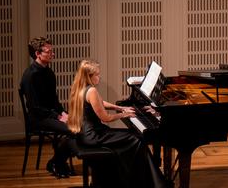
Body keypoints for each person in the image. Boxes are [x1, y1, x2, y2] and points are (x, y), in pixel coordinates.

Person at [67, 60, 167, 188]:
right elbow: (106, 118)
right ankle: (148, 182)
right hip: (95, 136)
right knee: (137, 139)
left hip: (86, 134)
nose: (99, 77)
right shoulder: (91, 90)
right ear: (89, 76)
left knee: (133, 137)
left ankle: (138, 179)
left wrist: (119, 108)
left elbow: (100, 102)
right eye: (97, 75)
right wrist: (123, 114)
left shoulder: (80, 88)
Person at [20, 37, 72, 178]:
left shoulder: (49, 72)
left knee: (82, 123)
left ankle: (57, 161)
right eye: (48, 52)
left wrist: (62, 112)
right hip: (38, 118)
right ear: (37, 54)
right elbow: (35, 107)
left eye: (52, 51)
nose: (52, 54)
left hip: (51, 114)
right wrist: (59, 117)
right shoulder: (30, 76)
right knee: (73, 130)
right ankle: (57, 163)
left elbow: (54, 100)